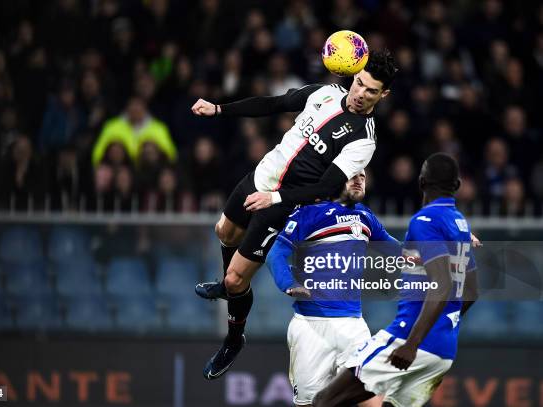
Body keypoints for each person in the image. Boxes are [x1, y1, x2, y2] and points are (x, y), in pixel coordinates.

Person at [191, 49, 398, 379]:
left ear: (383, 95)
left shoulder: (364, 140)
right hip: (260, 178)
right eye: (359, 84)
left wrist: (274, 199)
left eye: (371, 91)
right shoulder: (325, 93)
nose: (360, 94)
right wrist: (218, 109)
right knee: (224, 233)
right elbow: (272, 104)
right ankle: (229, 287)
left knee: (235, 278)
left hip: (283, 204)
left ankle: (233, 340)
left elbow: (326, 188)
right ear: (354, 77)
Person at [312, 152, 479, 407]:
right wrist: (443, 326)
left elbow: (441, 284)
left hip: (407, 338)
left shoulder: (425, 220)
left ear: (421, 182)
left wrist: (412, 343)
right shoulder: (461, 225)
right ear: (457, 186)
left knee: (325, 401)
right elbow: (471, 293)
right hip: (443, 351)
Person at [266, 169, 398, 407]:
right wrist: (289, 284)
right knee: (312, 403)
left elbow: (399, 250)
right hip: (311, 327)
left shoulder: (365, 216)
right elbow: (276, 253)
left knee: (372, 401)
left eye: (363, 177)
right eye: (353, 176)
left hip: (354, 326)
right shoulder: (308, 214)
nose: (359, 181)